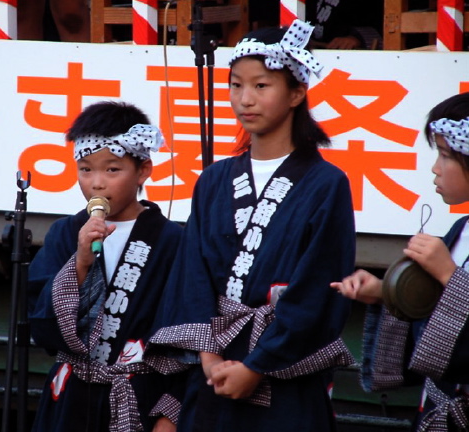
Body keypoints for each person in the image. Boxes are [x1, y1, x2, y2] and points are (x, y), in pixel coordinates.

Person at [147, 19, 357, 432]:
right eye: (236, 85)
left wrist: (257, 366)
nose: (245, 99)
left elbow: (318, 286)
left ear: (297, 93)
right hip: (215, 370)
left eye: (261, 86)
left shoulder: (326, 184)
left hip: (284, 375)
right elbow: (193, 273)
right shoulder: (214, 180)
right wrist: (209, 357)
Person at [27, 100, 185, 432]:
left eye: (112, 169)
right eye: (86, 169)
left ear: (143, 170)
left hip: (139, 395)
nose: (97, 183)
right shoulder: (66, 234)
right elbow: (41, 326)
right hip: (70, 398)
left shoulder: (173, 241)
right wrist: (81, 262)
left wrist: (169, 415)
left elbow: (187, 334)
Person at [331, 92, 469, 431]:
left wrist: (449, 275)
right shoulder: (460, 229)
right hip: (443, 408)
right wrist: (385, 293)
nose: (436, 168)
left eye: (446, 155)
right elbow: (438, 314)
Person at [250, 0, 383, 50]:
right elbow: (261, 15)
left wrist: (356, 39)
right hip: (304, 55)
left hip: (349, 60)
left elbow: (386, 26)